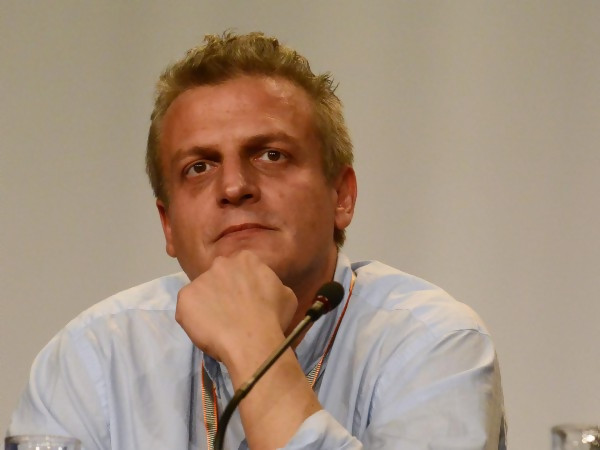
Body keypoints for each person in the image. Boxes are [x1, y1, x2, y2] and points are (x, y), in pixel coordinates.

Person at [7, 31, 506, 449]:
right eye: (198, 167)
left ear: (341, 195)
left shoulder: (435, 345)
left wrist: (254, 345)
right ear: (167, 224)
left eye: (271, 155)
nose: (234, 186)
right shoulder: (92, 357)